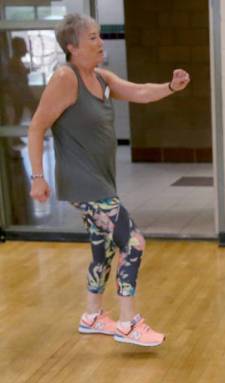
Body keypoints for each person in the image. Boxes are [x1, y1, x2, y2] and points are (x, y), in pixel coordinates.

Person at [27, 13, 190, 347]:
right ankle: (128, 322)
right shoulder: (64, 77)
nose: (100, 42)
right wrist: (38, 177)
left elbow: (140, 92)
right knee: (133, 242)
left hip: (100, 180)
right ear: (72, 47)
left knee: (101, 250)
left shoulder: (100, 77)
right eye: (92, 38)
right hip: (84, 183)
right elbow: (36, 126)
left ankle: (92, 315)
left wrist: (171, 87)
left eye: (99, 36)